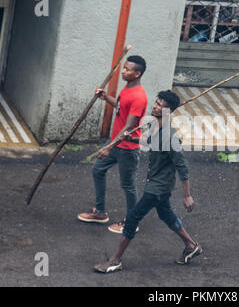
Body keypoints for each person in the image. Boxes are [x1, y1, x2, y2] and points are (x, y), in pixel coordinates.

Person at [94, 90, 201, 273]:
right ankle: (191, 245)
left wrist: (187, 195)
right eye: (156, 102)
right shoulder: (155, 126)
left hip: (158, 187)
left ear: (168, 111)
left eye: (160, 105)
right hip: (156, 183)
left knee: (133, 217)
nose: (155, 106)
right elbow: (148, 141)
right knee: (165, 214)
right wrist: (131, 138)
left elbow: (182, 167)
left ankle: (115, 260)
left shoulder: (171, 137)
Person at [78, 55, 148, 234]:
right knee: (98, 170)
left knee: (128, 185)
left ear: (137, 73)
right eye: (124, 68)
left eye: (127, 69)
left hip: (127, 148)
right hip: (115, 142)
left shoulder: (139, 97)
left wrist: (109, 146)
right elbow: (120, 105)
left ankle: (131, 222)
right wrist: (105, 97)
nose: (123, 71)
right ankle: (100, 212)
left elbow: (129, 127)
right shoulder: (128, 88)